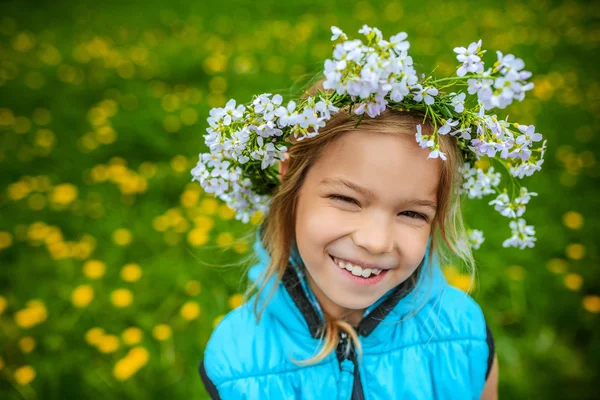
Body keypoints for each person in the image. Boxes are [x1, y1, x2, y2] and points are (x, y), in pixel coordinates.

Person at [193, 25, 543, 399]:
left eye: (412, 214)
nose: (375, 242)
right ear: (290, 177)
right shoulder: (235, 363)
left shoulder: (466, 336)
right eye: (346, 200)